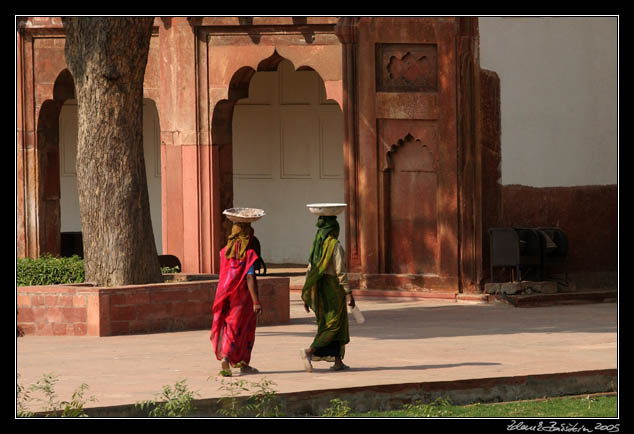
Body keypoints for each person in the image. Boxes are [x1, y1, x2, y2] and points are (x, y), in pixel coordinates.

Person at [300, 215, 355, 372]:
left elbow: (310, 270)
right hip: (333, 290)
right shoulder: (334, 245)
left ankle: (338, 361)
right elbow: (340, 270)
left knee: (329, 323)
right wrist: (348, 292)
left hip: (319, 289)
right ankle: (310, 351)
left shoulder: (317, 246)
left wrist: (307, 292)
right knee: (333, 324)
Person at [210, 222, 263, 377]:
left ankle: (239, 362)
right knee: (244, 328)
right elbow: (250, 277)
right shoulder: (249, 254)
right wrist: (256, 301)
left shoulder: (224, 253)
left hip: (226, 294)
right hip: (243, 297)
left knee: (230, 325)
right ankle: (228, 358)